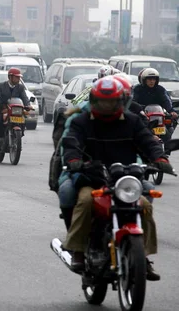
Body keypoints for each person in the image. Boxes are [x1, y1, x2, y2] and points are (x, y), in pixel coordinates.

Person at [62, 77, 172, 280]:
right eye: (102, 102)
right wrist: (75, 159)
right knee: (85, 201)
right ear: (94, 101)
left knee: (145, 205)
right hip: (93, 178)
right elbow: (71, 143)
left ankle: (143, 257)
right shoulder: (81, 121)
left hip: (126, 177)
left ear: (120, 101)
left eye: (111, 102)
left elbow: (148, 140)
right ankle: (78, 251)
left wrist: (160, 157)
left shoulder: (132, 121)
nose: (107, 106)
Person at [0, 68, 33, 151]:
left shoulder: (20, 87)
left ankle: (18, 137)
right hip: (3, 108)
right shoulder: (1, 85)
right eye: (16, 77)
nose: (18, 79)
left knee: (24, 119)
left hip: (16, 110)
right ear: (10, 77)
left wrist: (28, 105)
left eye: (19, 77)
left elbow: (24, 97)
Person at [133, 68, 177, 142]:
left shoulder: (160, 89)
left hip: (158, 115)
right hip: (142, 115)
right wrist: (138, 108)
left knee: (171, 124)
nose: (152, 81)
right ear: (144, 80)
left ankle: (166, 150)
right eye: (149, 79)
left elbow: (166, 100)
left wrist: (171, 111)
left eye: (154, 79)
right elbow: (132, 101)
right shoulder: (137, 89)